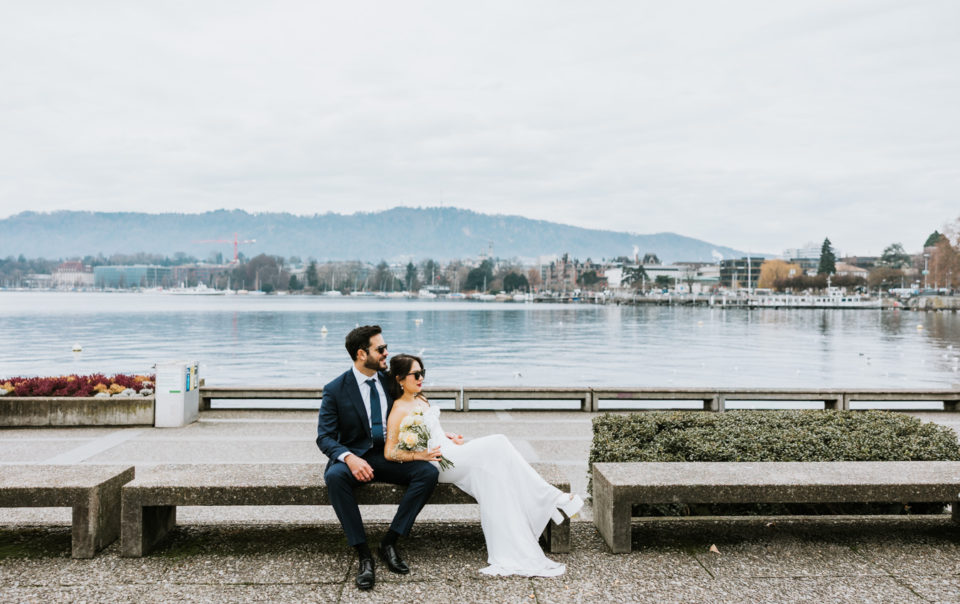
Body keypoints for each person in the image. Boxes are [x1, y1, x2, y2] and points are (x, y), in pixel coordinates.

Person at [384, 353, 584, 577]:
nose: (422, 378)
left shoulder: (421, 398)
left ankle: (519, 536)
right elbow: (390, 452)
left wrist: (448, 437)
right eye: (416, 374)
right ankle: (552, 497)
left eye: (423, 373)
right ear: (400, 379)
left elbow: (432, 430)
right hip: (439, 464)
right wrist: (420, 455)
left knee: (497, 474)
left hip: (450, 451)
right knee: (498, 442)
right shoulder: (398, 410)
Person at [316, 326, 439, 591]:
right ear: (361, 354)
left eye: (385, 347)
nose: (386, 353)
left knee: (428, 473)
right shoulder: (335, 389)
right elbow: (324, 438)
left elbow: (413, 408)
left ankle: (390, 541)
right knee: (335, 478)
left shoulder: (389, 381)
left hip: (391, 455)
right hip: (356, 455)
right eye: (380, 349)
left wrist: (438, 433)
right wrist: (349, 458)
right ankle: (363, 554)